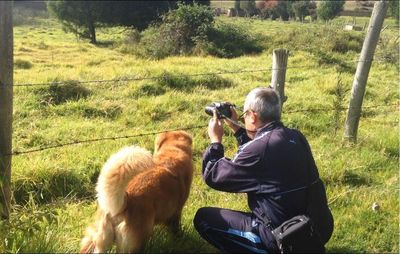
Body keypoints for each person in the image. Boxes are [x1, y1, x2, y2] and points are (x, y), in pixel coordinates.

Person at [193, 87, 334, 253]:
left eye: (244, 114)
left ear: (252, 116)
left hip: (285, 238)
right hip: (318, 229)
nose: (243, 118)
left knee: (204, 218)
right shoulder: (295, 136)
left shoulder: (259, 150)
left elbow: (214, 175)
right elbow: (260, 153)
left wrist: (215, 141)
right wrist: (238, 129)